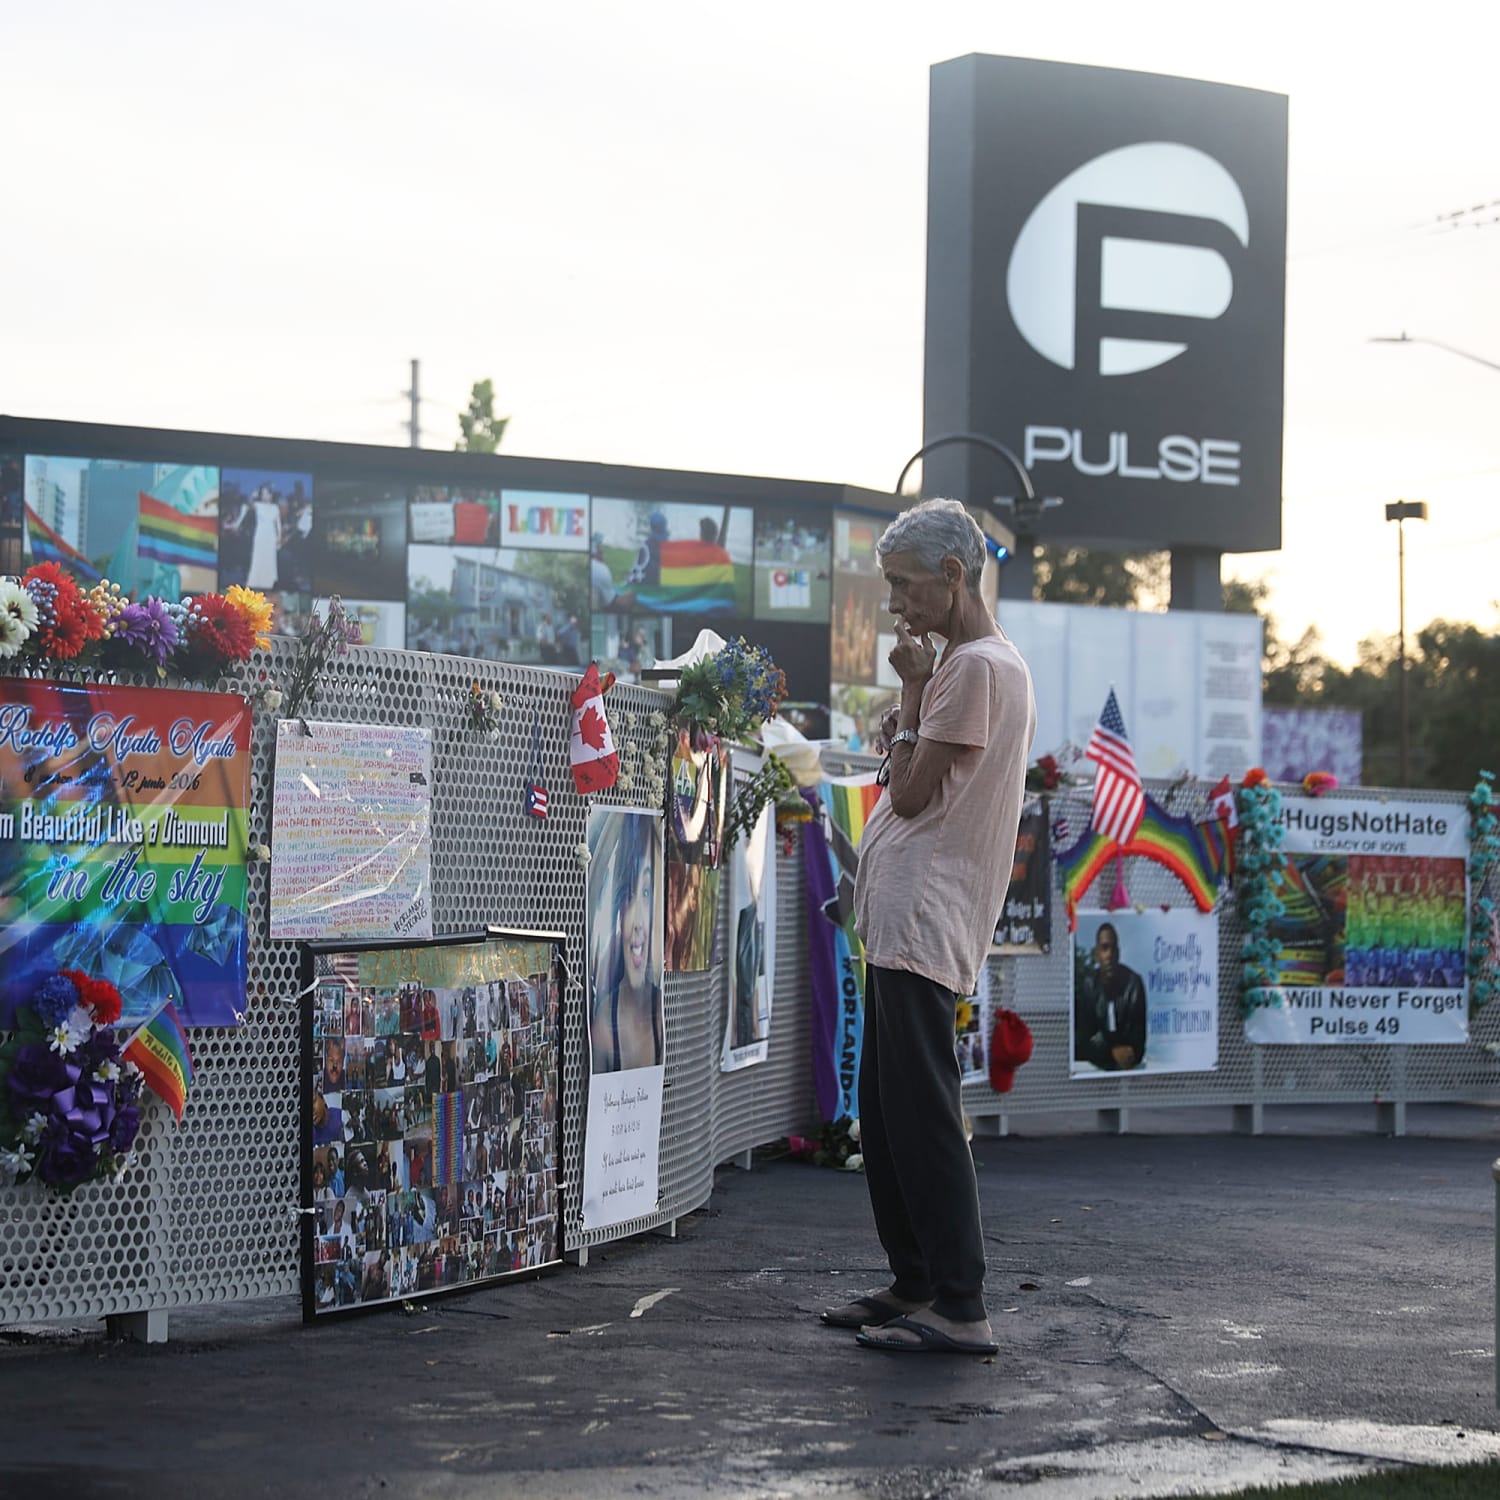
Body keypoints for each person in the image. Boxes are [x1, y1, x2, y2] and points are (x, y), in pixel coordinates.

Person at [827, 498, 1034, 1358]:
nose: (896, 607)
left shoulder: (973, 669)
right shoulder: (981, 665)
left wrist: (912, 690)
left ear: (954, 575)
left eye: (906, 586)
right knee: (887, 1109)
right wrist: (912, 711)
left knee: (920, 1112)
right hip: (911, 917)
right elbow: (916, 780)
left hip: (925, 918)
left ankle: (960, 1301)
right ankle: (916, 1281)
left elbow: (910, 796)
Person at [589, 814, 662, 1073]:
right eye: (630, 894)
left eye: (646, 892)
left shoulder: (666, 1015)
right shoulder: (604, 1026)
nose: (638, 922)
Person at [1073, 922, 1148, 1071]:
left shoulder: (1133, 984)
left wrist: (1106, 1046)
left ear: (1119, 954)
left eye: (1113, 949)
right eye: (1104, 948)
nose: (1109, 955)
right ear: (1097, 954)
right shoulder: (1088, 985)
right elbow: (1080, 1043)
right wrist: (1112, 1050)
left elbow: (1137, 1046)